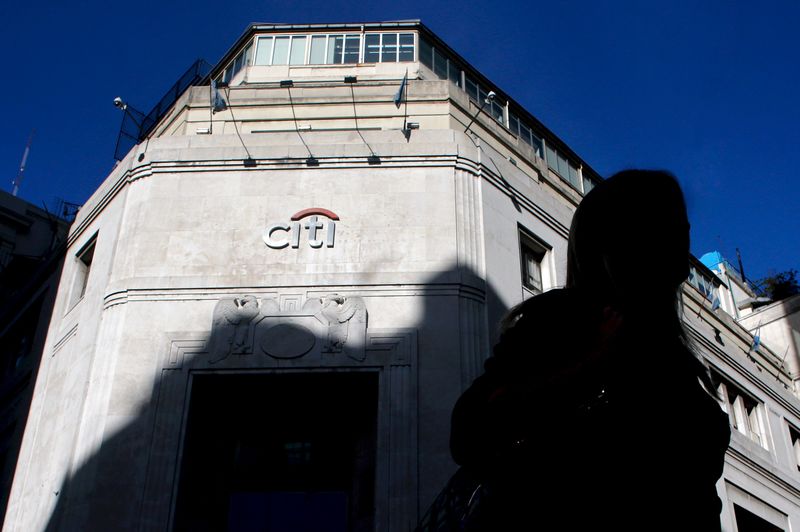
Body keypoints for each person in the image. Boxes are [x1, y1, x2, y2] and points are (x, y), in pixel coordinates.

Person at [448, 170, 731, 530]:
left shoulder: (675, 355)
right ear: (623, 236)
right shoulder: (566, 321)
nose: (684, 241)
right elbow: (471, 429)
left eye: (683, 227)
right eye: (667, 225)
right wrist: (586, 366)